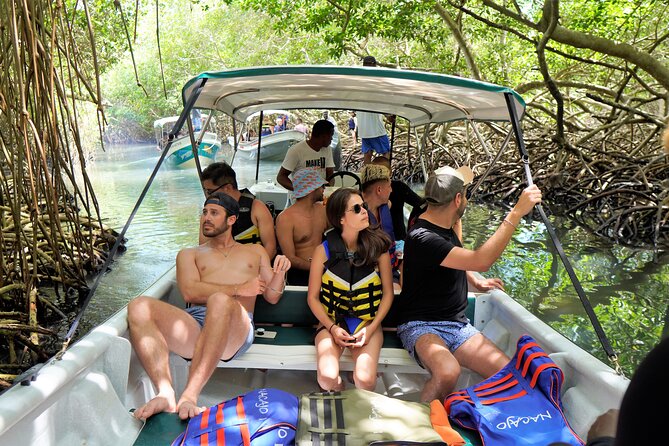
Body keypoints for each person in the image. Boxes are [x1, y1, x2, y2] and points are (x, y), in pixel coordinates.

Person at [128, 192, 291, 420]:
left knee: (219, 300)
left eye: (214, 213)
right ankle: (165, 393)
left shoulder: (255, 251)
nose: (206, 217)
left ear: (232, 219)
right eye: (204, 212)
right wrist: (239, 288)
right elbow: (190, 291)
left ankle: (190, 395)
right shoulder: (189, 254)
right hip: (195, 324)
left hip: (236, 329)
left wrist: (279, 274)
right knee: (138, 306)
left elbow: (272, 297)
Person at [394, 165, 543, 402]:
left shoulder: (449, 222)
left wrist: (473, 279)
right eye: (465, 196)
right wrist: (514, 214)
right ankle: (421, 433)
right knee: (447, 372)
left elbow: (455, 257)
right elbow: (481, 260)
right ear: (457, 199)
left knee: (510, 376)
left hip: (458, 326)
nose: (466, 201)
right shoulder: (422, 236)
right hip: (420, 324)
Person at [307, 188, 394, 391]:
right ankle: (341, 392)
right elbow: (312, 298)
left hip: (366, 323)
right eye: (356, 208)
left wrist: (370, 329)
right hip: (332, 323)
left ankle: (359, 408)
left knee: (365, 379)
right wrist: (332, 328)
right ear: (341, 219)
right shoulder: (323, 251)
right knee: (327, 378)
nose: (364, 211)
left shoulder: (378, 249)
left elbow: (388, 294)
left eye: (363, 206)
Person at [200, 162, 276, 258]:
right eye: (206, 191)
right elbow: (203, 249)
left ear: (227, 188)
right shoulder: (207, 214)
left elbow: (271, 247)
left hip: (253, 266)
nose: (207, 196)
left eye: (210, 191)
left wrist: (258, 270)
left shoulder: (257, 208)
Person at [275, 168, 329, 286]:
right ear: (312, 189)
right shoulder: (285, 219)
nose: (323, 189)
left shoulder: (322, 210)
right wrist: (317, 268)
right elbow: (290, 257)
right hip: (299, 274)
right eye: (321, 186)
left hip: (324, 269)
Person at [359, 164, 400, 279]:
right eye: (389, 186)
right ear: (379, 190)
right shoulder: (355, 212)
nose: (391, 190)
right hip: (365, 273)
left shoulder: (387, 205)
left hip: (390, 268)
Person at [371, 156, 425, 241]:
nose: (380, 175)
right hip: (377, 239)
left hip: (398, 238)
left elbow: (421, 204)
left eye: (383, 172)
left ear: (390, 173)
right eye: (377, 172)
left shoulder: (398, 188)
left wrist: (412, 223)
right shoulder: (368, 191)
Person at [276, 119, 335, 191]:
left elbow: (330, 175)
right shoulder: (296, 150)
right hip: (300, 197)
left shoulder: (327, 149)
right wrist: (301, 191)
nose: (332, 139)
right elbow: (281, 177)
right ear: (323, 136)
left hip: (320, 194)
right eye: (331, 135)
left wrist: (327, 189)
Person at [358, 56, 395, 164]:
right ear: (373, 64)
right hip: (375, 128)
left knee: (367, 153)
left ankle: (366, 178)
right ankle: (385, 176)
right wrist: (388, 115)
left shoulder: (359, 82)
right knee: (386, 153)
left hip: (363, 129)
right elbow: (378, 102)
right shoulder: (375, 81)